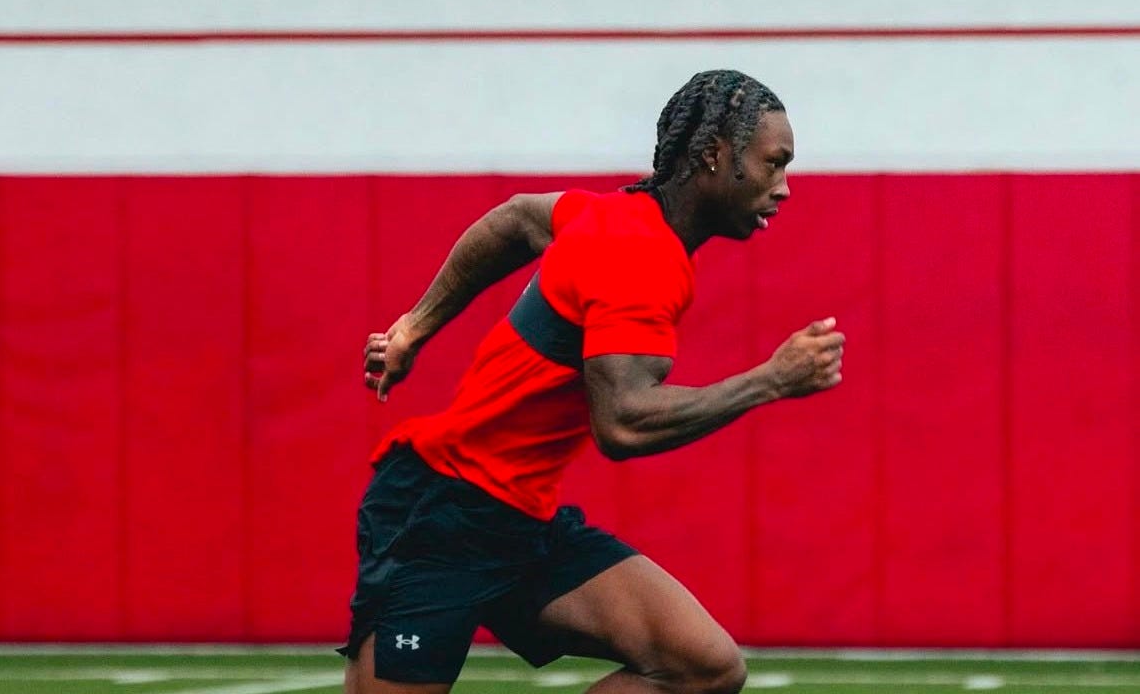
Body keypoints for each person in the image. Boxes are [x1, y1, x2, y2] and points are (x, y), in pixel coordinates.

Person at [346, 69, 845, 694]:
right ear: (716, 156)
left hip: (519, 519)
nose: (785, 187)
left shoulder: (611, 216)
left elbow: (517, 220)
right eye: (773, 163)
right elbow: (623, 422)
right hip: (440, 516)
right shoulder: (642, 256)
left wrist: (416, 326)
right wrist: (771, 381)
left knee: (702, 666)